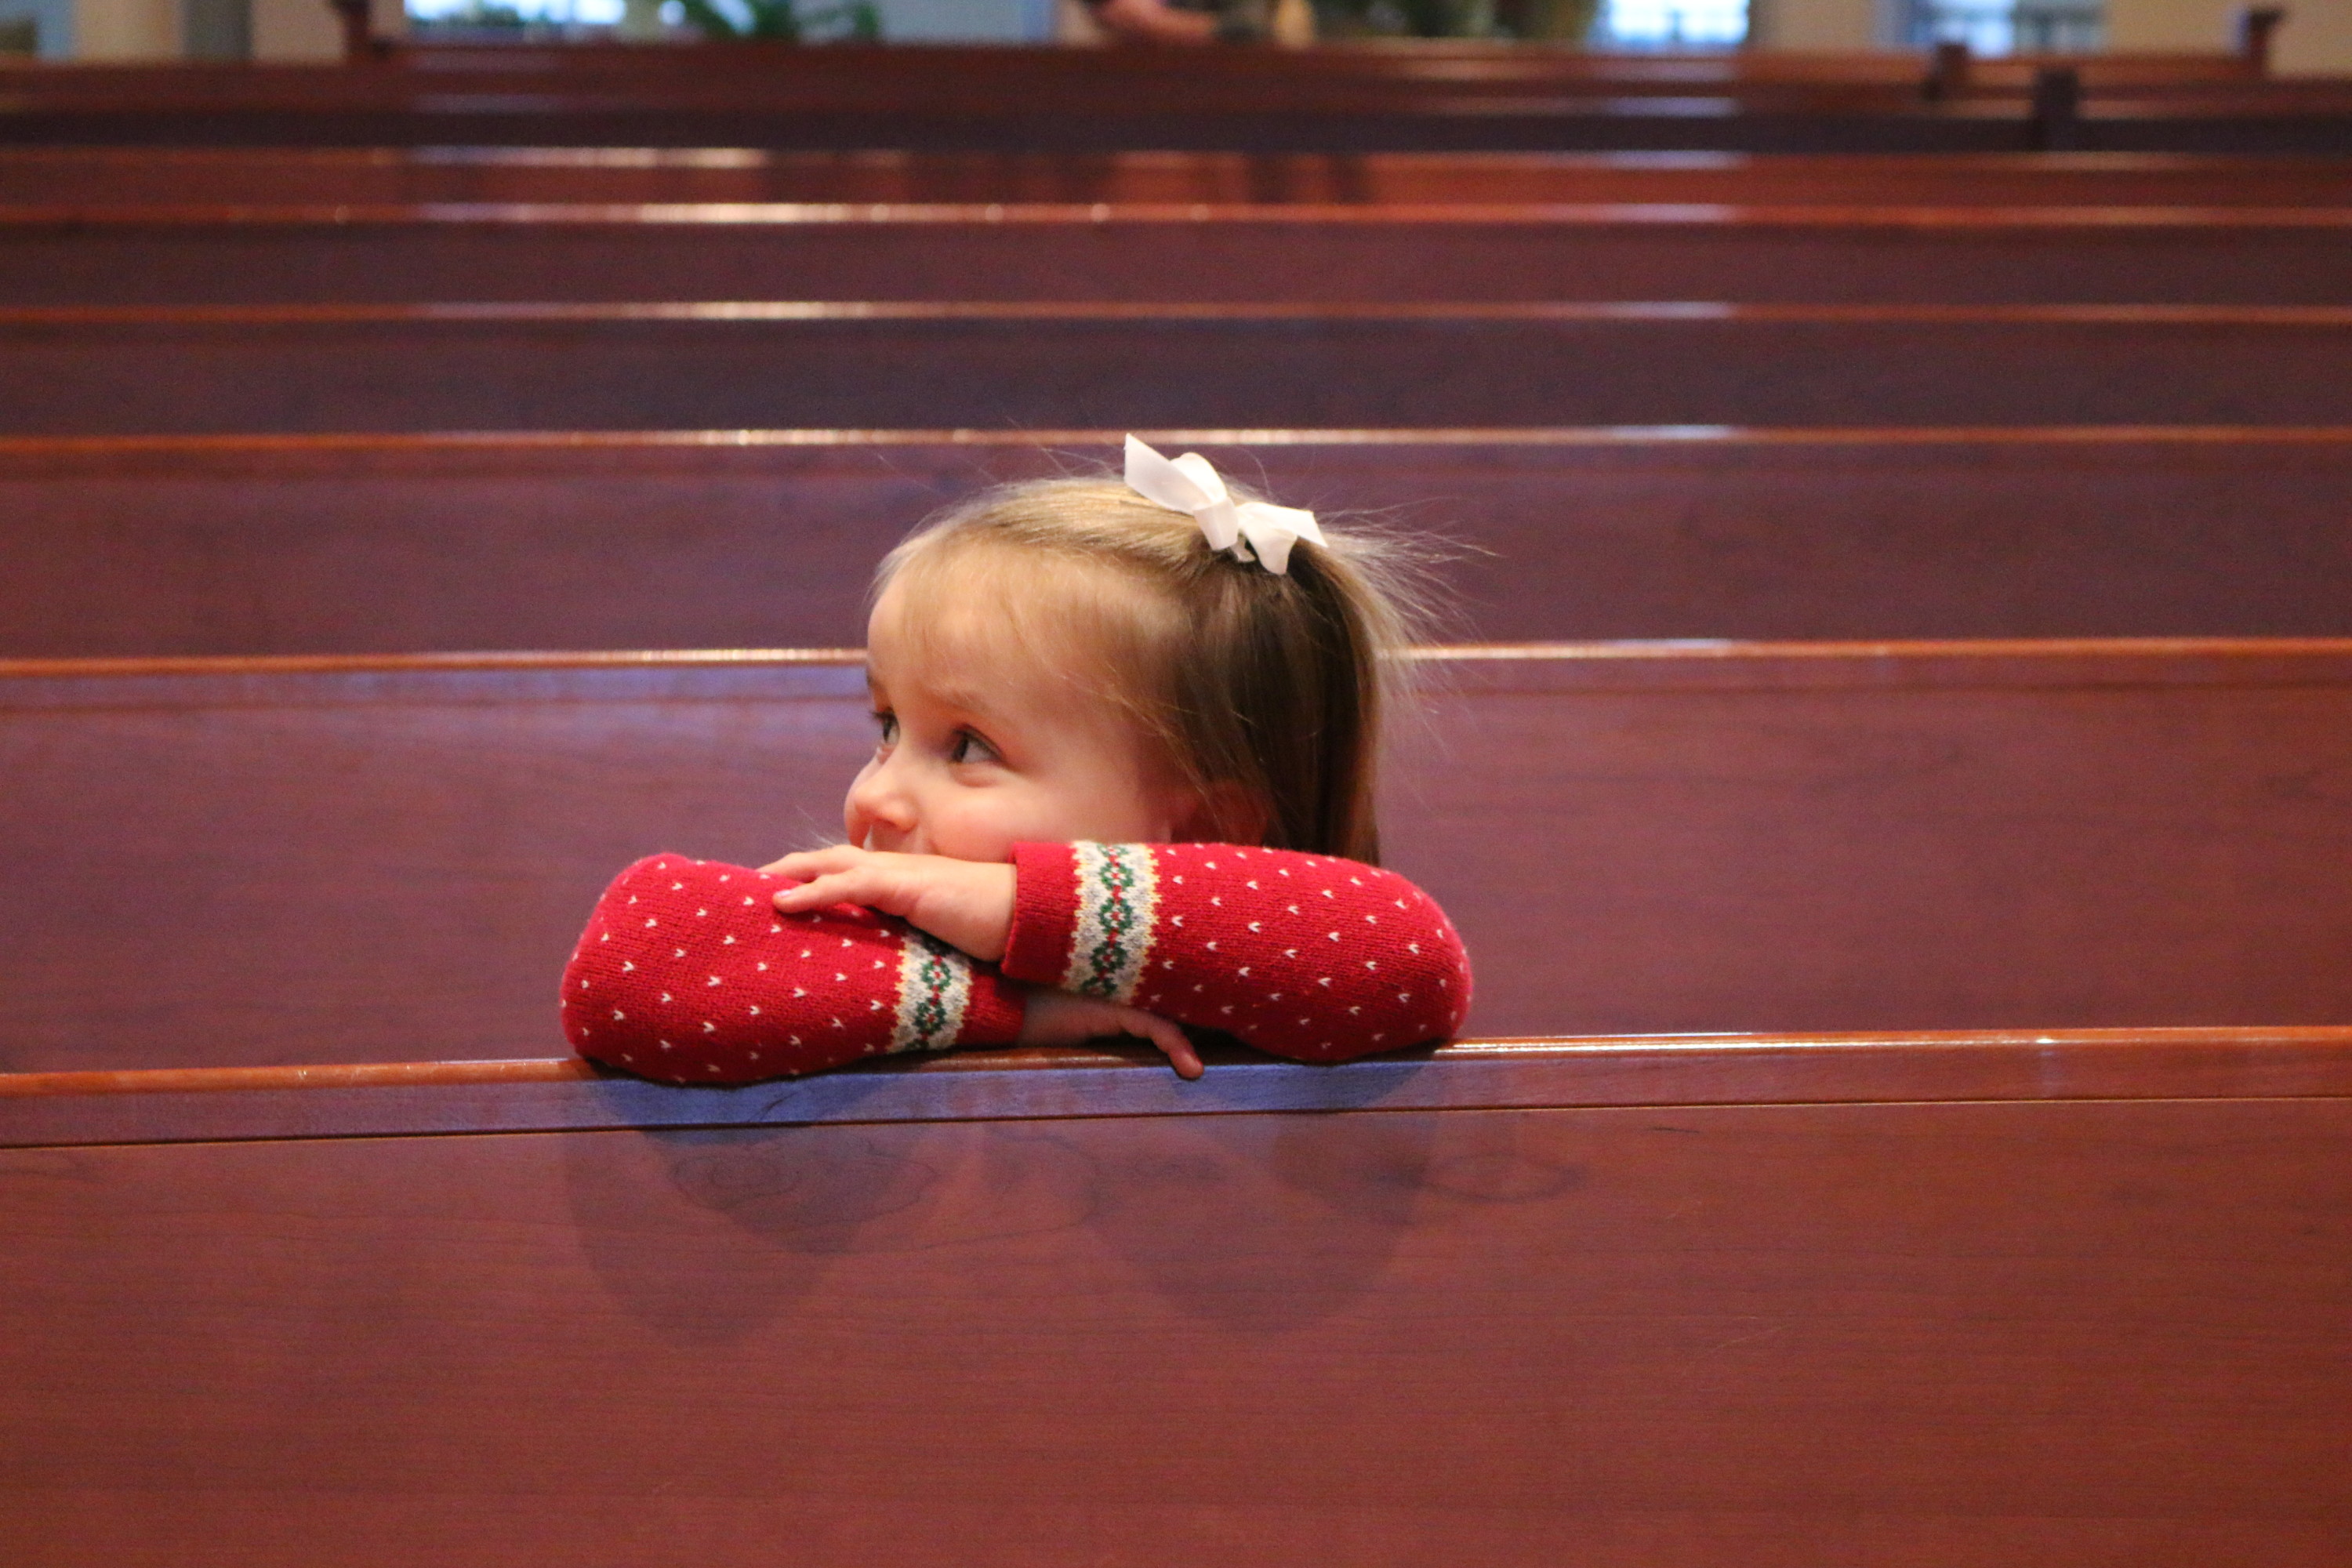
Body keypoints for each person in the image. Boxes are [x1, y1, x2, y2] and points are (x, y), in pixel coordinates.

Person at [561, 437, 1472, 1084]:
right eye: (886, 727)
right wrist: (1012, 1010)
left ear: (1199, 828)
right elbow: (630, 976)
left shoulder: (1284, 970)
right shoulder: (881, 942)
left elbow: (1410, 959)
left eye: (966, 746)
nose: (878, 794)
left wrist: (1020, 907)